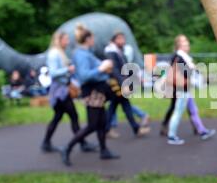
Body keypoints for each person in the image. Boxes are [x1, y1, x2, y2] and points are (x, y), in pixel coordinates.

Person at [61, 24, 119, 166]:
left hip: (98, 92)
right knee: (92, 125)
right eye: (92, 38)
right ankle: (67, 148)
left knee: (102, 123)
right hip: (92, 92)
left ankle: (104, 151)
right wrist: (101, 68)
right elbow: (84, 76)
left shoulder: (87, 53)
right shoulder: (81, 55)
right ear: (87, 39)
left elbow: (97, 66)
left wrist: (104, 65)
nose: (94, 40)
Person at [41, 31, 96, 153]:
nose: (68, 41)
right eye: (65, 39)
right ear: (59, 40)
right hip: (60, 92)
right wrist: (68, 69)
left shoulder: (60, 53)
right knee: (73, 116)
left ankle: (46, 143)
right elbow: (53, 73)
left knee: (58, 117)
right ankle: (82, 143)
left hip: (62, 90)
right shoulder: (54, 54)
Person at [166, 34, 216, 145]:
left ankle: (202, 131)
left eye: (187, 44)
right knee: (178, 112)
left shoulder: (181, 57)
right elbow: (184, 73)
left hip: (185, 89)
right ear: (179, 46)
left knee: (193, 110)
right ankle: (171, 136)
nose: (187, 46)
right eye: (185, 44)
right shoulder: (179, 57)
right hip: (182, 89)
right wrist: (192, 68)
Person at [104, 32, 150, 137]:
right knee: (123, 106)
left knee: (116, 106)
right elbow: (115, 70)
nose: (122, 41)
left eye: (123, 39)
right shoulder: (112, 53)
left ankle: (107, 129)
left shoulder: (119, 52)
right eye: (120, 39)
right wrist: (123, 83)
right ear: (114, 40)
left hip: (120, 83)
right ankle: (135, 129)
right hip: (117, 85)